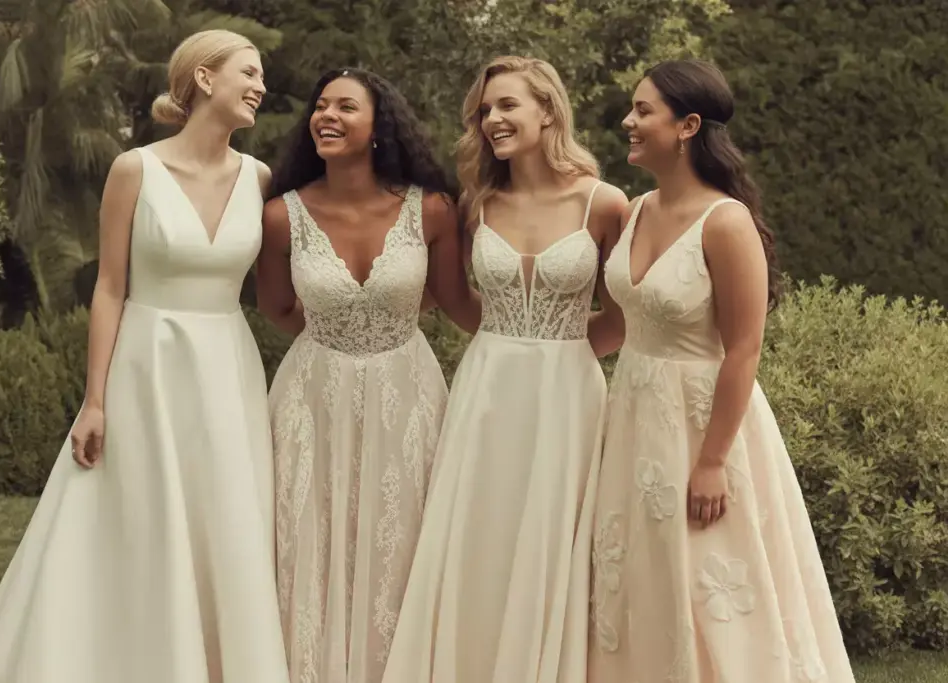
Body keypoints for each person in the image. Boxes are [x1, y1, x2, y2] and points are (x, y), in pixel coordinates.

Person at [0, 30, 289, 683]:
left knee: (222, 522)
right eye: (249, 72)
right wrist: (95, 399)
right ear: (203, 78)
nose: (261, 87)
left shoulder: (262, 178)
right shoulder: (135, 169)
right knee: (137, 516)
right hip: (148, 366)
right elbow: (110, 287)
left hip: (228, 370)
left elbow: (279, 287)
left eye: (263, 76)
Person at [589, 58, 855, 682]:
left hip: (705, 422)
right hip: (635, 415)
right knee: (642, 570)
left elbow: (744, 349)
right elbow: (621, 324)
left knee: (713, 577)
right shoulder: (634, 211)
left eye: (643, 110)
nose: (628, 121)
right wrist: (534, 348)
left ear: (687, 126)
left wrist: (711, 461)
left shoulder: (725, 222)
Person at [380, 55, 627, 683]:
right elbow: (460, 301)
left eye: (507, 105)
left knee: (556, 539)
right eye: (484, 110)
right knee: (480, 536)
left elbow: (624, 315)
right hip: (487, 389)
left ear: (548, 110)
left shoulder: (605, 203)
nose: (492, 119)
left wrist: (561, 350)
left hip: (569, 394)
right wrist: (508, 343)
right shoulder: (476, 204)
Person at [256, 67, 479, 683]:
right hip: (311, 399)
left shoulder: (432, 210)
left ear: (379, 126)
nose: (326, 115)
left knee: (401, 539)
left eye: (344, 107)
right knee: (309, 540)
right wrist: (340, 331)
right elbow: (277, 309)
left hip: (408, 397)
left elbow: (454, 301)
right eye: (320, 106)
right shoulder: (280, 216)